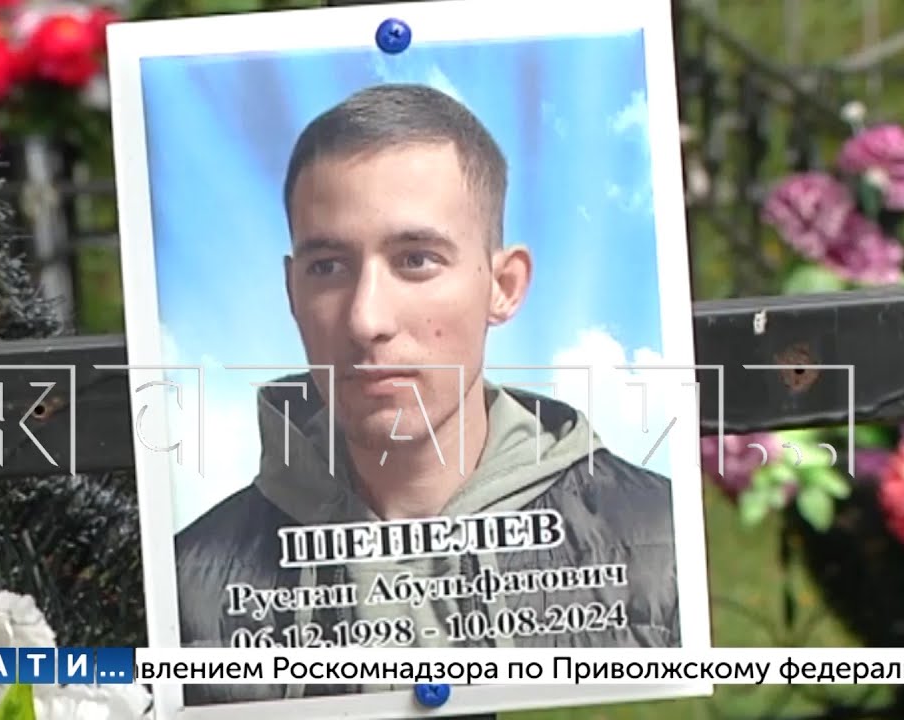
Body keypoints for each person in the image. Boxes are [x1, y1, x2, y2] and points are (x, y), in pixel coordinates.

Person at [174, 83, 679, 706]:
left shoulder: (662, 538)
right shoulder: (186, 581)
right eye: (327, 267)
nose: (366, 319)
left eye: (416, 260)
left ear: (503, 286)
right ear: (291, 291)